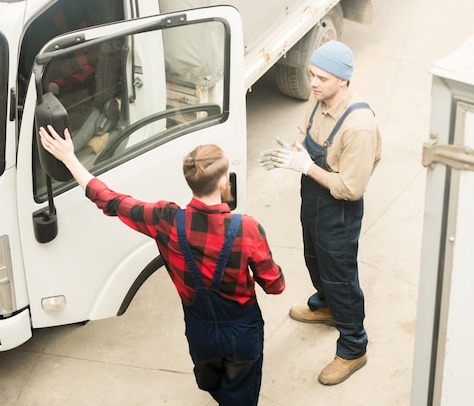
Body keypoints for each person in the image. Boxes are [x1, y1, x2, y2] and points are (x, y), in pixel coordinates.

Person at [39, 125, 285, 405]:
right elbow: (275, 286)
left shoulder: (164, 220)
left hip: (200, 332)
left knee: (212, 383)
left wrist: (69, 157)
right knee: (240, 393)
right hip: (242, 332)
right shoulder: (246, 228)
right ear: (221, 183)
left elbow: (108, 199)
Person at [260, 40, 381, 385]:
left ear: (343, 81)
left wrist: (306, 167)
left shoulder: (357, 125)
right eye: (311, 74)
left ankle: (354, 347)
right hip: (312, 199)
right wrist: (291, 153)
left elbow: (350, 187)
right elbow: (304, 134)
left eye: (323, 78)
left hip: (338, 210)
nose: (313, 83)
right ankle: (327, 306)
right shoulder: (319, 101)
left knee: (340, 276)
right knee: (315, 259)